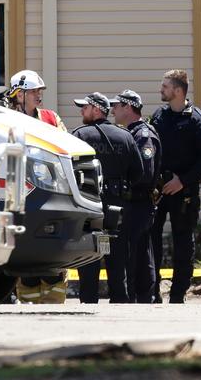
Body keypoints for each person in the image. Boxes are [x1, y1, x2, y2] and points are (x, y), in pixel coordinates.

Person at [150, 70, 201, 304]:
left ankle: (178, 295)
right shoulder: (159, 116)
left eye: (165, 86)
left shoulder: (197, 120)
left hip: (184, 191)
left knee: (182, 242)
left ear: (178, 91)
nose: (161, 90)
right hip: (159, 190)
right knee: (152, 239)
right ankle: (152, 291)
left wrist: (183, 181)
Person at [72, 92, 144, 303]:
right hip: (118, 204)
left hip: (88, 203)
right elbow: (138, 173)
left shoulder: (79, 135)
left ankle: (88, 301)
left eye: (84, 108)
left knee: (88, 258)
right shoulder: (124, 136)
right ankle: (120, 302)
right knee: (119, 259)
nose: (81, 112)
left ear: (96, 110)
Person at [7, 69, 67, 304]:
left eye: (39, 91)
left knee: (50, 253)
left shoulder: (51, 119)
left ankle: (54, 304)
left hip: (49, 193)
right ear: (19, 95)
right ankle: (27, 300)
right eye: (33, 91)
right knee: (24, 253)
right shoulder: (5, 118)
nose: (38, 95)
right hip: (18, 194)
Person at [110, 90, 161, 303]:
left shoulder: (143, 136)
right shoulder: (131, 133)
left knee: (135, 253)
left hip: (139, 203)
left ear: (128, 108)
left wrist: (123, 181)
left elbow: (145, 173)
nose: (112, 110)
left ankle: (141, 298)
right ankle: (141, 296)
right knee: (138, 251)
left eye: (117, 106)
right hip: (133, 203)